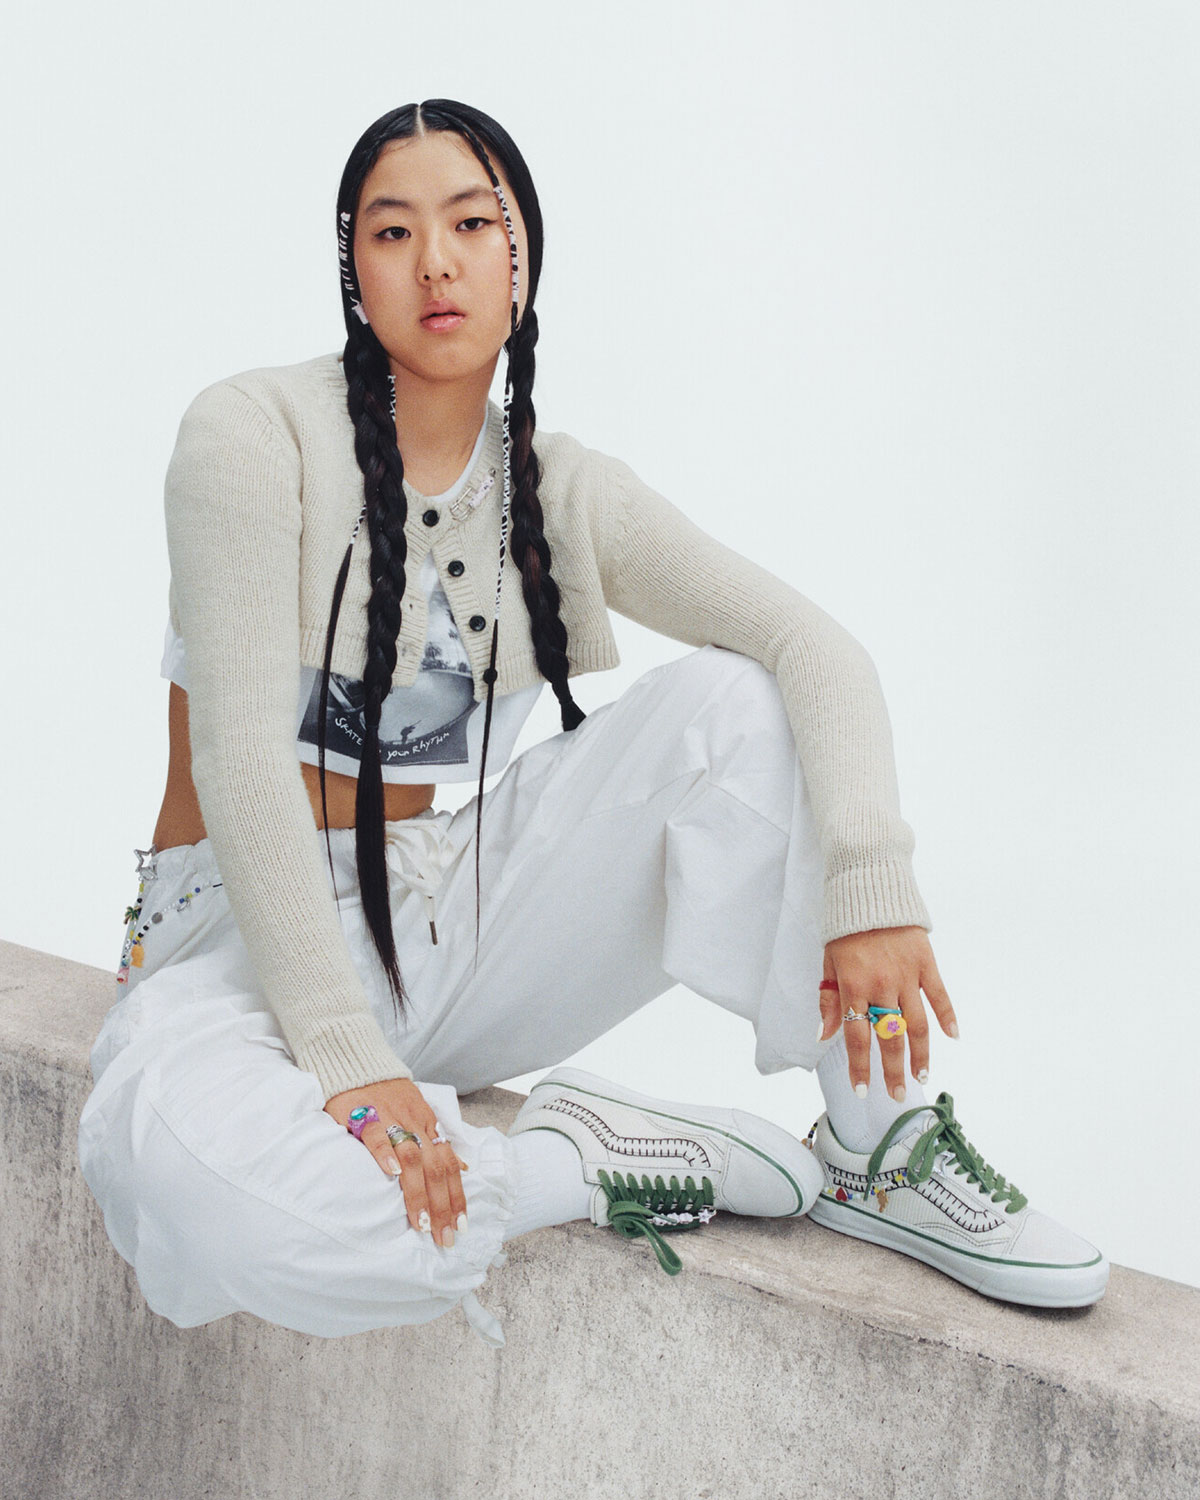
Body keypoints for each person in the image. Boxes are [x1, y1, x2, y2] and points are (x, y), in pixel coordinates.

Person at [77, 99, 1107, 1349]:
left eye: (472, 224)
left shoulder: (557, 490)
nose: (437, 262)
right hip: (226, 945)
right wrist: (350, 1061)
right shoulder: (250, 434)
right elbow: (239, 758)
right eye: (394, 233)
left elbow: (814, 648)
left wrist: (871, 887)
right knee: (203, 1198)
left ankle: (876, 1146)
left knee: (740, 706)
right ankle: (574, 1157)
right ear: (354, 269)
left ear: (524, 256)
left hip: (430, 927)